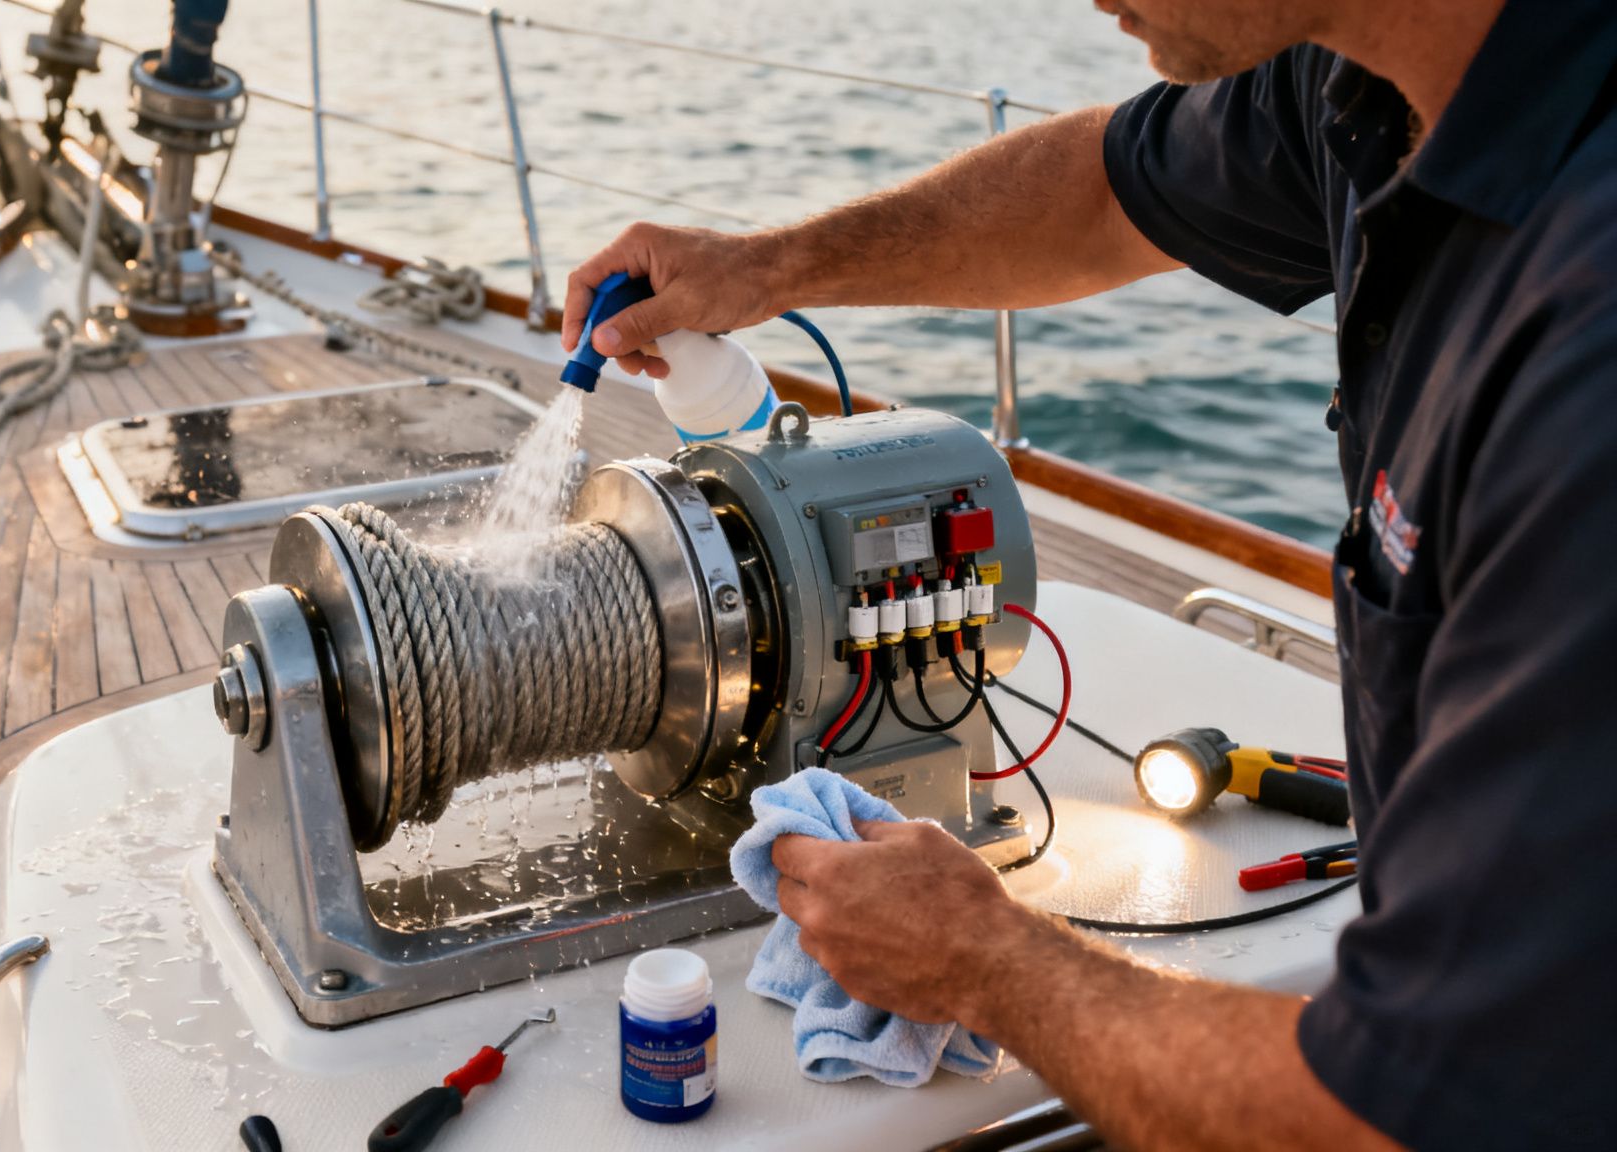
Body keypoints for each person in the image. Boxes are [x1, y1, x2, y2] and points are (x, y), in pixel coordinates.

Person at [560, 0, 1617, 1148]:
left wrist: (987, 965)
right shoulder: (1369, 79)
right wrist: (767, 267)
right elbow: (1107, 190)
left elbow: (1413, 1113)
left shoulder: (1584, 355)